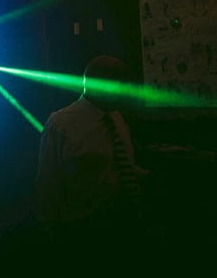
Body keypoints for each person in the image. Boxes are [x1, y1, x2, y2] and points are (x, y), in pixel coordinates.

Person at [36, 55, 149, 278]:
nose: (125, 90)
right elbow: (48, 182)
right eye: (120, 83)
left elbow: (115, 165)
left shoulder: (115, 117)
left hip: (124, 224)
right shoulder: (61, 123)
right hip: (84, 231)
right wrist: (51, 229)